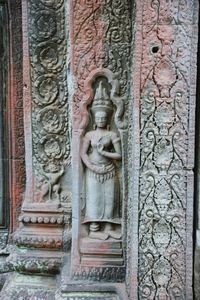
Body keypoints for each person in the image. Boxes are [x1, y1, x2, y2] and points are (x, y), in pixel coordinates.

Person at [81, 81, 122, 240]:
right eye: (98, 117)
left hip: (109, 171)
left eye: (104, 117)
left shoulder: (112, 135)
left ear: (108, 118)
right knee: (95, 200)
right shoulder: (89, 135)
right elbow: (83, 154)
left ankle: (110, 227)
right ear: (93, 118)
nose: (101, 120)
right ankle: (94, 229)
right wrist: (92, 167)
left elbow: (119, 155)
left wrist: (105, 152)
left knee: (110, 199)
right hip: (93, 171)